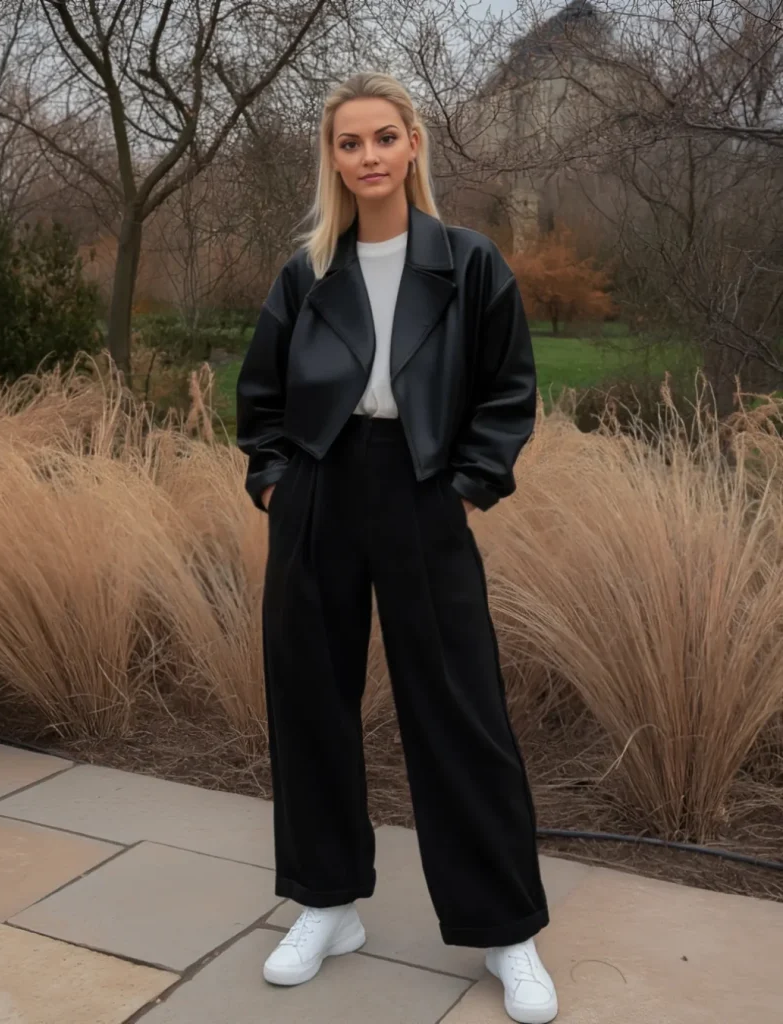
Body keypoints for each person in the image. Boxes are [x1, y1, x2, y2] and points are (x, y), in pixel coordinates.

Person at [235, 70, 558, 1024]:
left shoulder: (467, 263)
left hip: (423, 496)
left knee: (460, 711)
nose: (367, 157)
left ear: (413, 144)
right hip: (320, 493)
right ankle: (326, 905)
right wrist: (273, 480)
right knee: (310, 703)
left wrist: (466, 487)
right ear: (331, 158)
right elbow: (260, 399)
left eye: (383, 138)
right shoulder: (307, 271)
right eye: (348, 143)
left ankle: (507, 931)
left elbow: (508, 390)